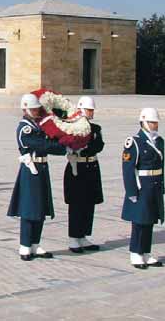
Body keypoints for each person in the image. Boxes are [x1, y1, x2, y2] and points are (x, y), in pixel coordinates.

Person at [7, 94, 67, 261]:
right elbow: (41, 144)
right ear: (25, 109)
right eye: (33, 109)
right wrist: (63, 147)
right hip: (31, 168)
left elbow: (49, 136)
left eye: (37, 108)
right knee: (29, 208)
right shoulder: (25, 128)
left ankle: (35, 243)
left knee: (40, 207)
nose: (36, 111)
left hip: (42, 167)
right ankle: (25, 245)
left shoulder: (38, 124)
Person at [121, 108, 165, 269]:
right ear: (144, 122)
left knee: (150, 220)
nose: (155, 125)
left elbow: (162, 166)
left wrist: (162, 187)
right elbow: (128, 169)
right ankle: (135, 253)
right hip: (142, 185)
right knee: (139, 221)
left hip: (154, 184)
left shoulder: (159, 141)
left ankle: (146, 252)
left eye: (156, 122)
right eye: (152, 122)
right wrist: (131, 191)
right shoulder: (134, 141)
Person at [63, 96, 104, 253]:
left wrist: (86, 146)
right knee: (76, 204)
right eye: (89, 109)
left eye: (92, 110)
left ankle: (83, 236)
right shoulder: (72, 127)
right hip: (77, 168)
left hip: (91, 166)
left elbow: (98, 146)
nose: (91, 112)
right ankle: (74, 237)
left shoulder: (95, 128)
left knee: (89, 203)